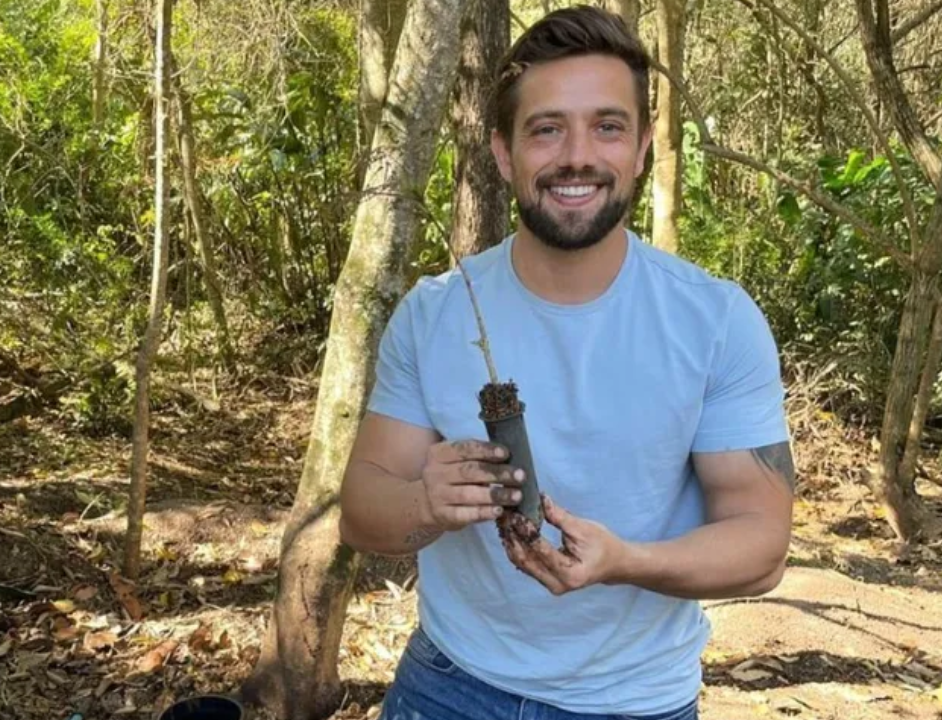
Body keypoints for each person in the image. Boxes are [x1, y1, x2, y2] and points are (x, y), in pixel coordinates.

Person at [338, 6, 795, 719]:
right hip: (450, 682)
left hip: (635, 700)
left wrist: (624, 561)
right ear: (502, 153)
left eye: (607, 127)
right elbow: (362, 513)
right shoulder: (436, 312)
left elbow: (761, 545)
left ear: (643, 147)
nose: (577, 155)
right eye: (547, 128)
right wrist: (424, 503)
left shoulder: (714, 320)